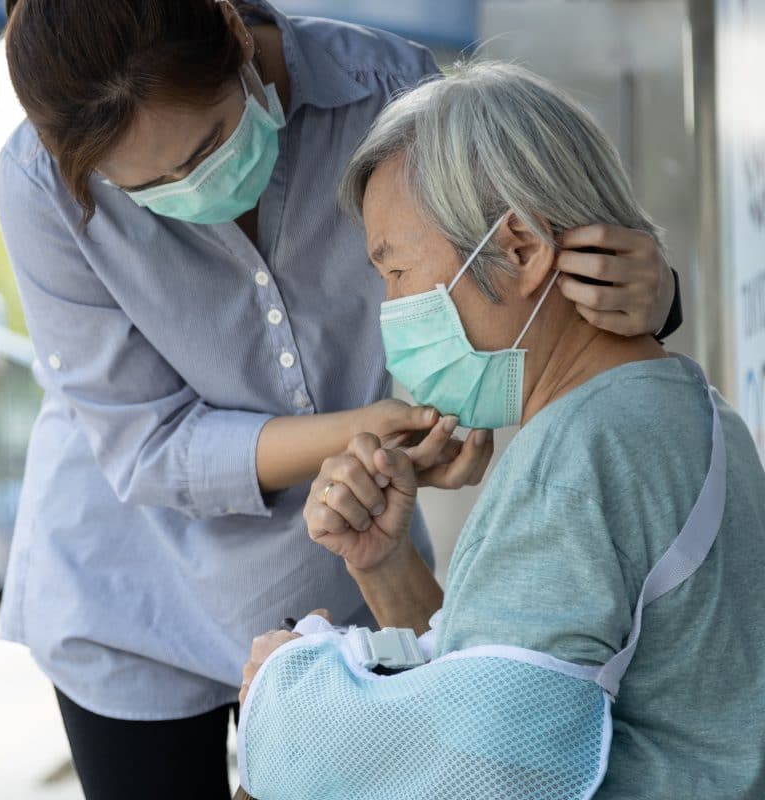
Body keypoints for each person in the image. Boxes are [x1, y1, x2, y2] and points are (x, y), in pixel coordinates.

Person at [0, 2, 683, 797]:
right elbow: (150, 447)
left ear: (233, 35)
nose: (193, 190)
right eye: (146, 188)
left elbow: (513, 260)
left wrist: (652, 292)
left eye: (209, 144)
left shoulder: (386, 91)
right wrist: (371, 432)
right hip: (131, 591)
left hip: (338, 572)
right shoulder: (40, 183)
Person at [237, 62, 765, 799]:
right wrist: (386, 566)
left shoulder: (580, 455)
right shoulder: (687, 410)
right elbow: (503, 691)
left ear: (518, 248)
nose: (388, 307)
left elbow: (487, 772)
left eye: (394, 271)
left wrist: (286, 689)